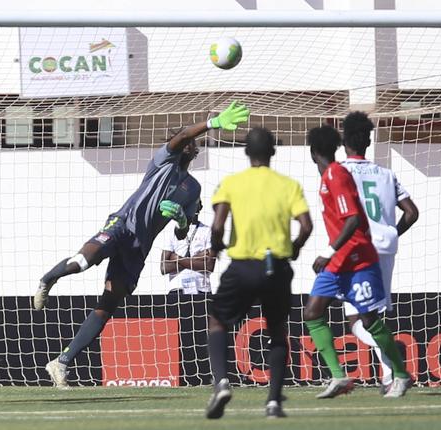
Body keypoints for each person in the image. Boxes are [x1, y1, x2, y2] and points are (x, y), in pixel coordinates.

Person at [34, 102, 250, 388]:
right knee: (83, 262)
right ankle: (48, 279)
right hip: (122, 225)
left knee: (108, 303)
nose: (188, 144)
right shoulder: (162, 160)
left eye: (192, 143)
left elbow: (183, 233)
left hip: (139, 247)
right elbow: (183, 135)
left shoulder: (193, 188)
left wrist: (182, 222)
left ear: (196, 151)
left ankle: (61, 363)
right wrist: (213, 123)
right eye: (185, 140)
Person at [205, 128, 313, 419]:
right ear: (273, 152)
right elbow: (306, 225)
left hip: (243, 266)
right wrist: (294, 248)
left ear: (246, 153)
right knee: (277, 330)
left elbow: (217, 225)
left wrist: (217, 247)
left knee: (218, 320)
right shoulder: (288, 185)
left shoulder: (232, 183)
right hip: (276, 265)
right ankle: (274, 402)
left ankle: (222, 383)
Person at [304, 125, 411, 399]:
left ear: (313, 153)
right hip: (342, 260)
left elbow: (352, 218)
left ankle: (398, 373)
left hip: (357, 258)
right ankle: (339, 377)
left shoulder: (336, 175)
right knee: (313, 312)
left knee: (369, 319)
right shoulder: (336, 174)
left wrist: (328, 252)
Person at [340, 111, 420, 392]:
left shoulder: (340, 173)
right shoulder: (387, 174)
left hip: (357, 249)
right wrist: (391, 233)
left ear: (343, 139)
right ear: (369, 140)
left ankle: (390, 349)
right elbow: (411, 212)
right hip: (385, 247)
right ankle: (390, 377)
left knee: (356, 320)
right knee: (373, 315)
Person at [160, 200, 216, 294]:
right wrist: (198, 257)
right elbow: (164, 268)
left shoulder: (208, 231)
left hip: (202, 290)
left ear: (200, 207)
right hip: (177, 289)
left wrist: (177, 258)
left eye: (195, 204)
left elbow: (209, 266)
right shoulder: (172, 231)